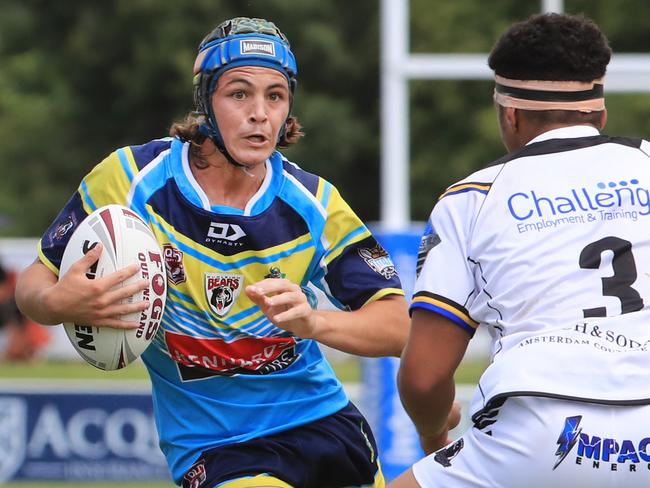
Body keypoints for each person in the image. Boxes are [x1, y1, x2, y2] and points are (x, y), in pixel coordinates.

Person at [15, 17, 409, 488]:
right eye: (239, 93)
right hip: (216, 450)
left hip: (324, 427)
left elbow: (399, 325)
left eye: (275, 96)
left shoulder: (314, 204)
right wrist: (56, 303)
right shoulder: (131, 178)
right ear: (205, 100)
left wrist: (314, 323)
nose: (260, 113)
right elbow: (33, 283)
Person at [390, 13, 650, 488]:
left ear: (509, 114)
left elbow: (425, 377)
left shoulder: (471, 198)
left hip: (540, 429)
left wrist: (434, 438)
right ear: (600, 112)